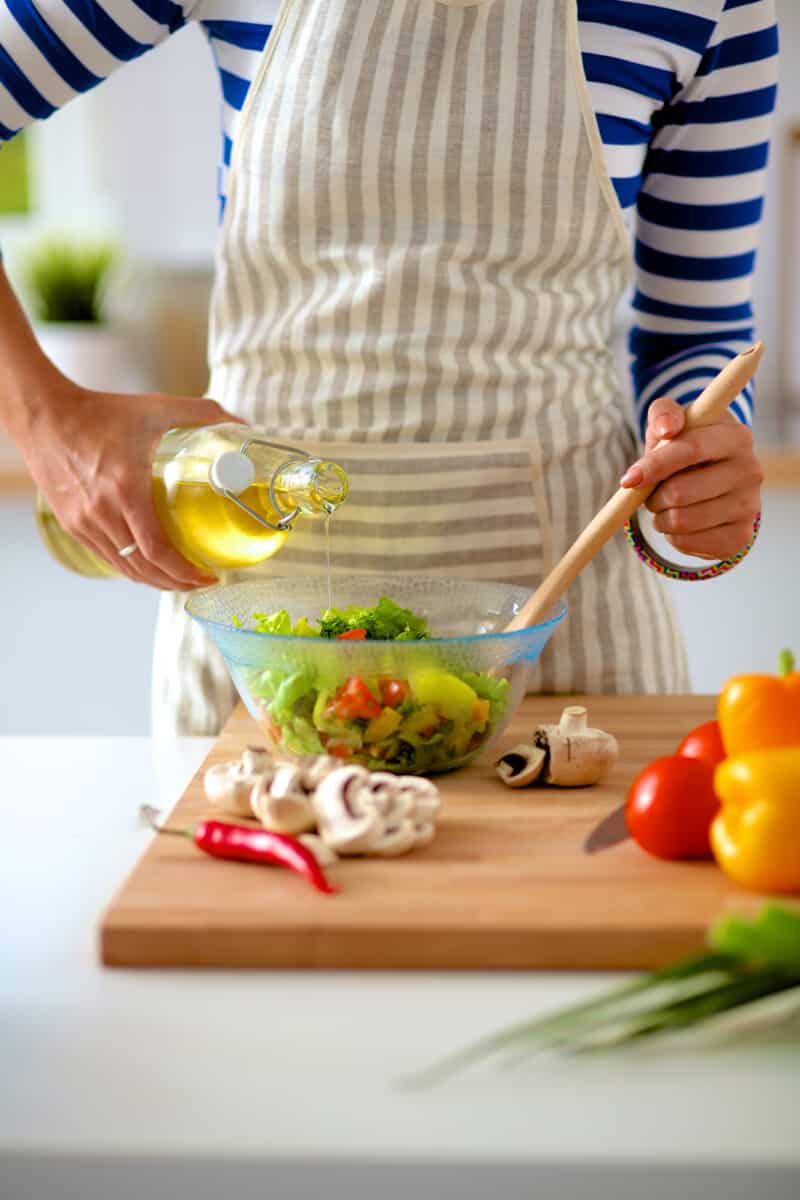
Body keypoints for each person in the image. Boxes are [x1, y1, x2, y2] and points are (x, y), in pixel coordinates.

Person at [0, 0, 777, 735]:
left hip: (568, 625)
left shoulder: (718, 6)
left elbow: (696, 329)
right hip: (261, 644)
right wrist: (44, 419)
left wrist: (705, 460)